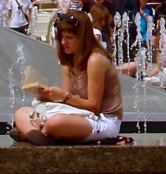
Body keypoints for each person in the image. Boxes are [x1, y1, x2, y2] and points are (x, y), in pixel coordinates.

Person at [12, 10, 123, 145]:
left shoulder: (95, 60)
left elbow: (94, 107)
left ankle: (33, 132)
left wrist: (63, 96)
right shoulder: (68, 60)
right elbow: (68, 100)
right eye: (62, 37)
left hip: (103, 121)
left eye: (69, 38)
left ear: (83, 38)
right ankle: (39, 134)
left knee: (55, 122)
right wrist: (48, 96)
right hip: (79, 115)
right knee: (21, 112)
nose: (64, 42)